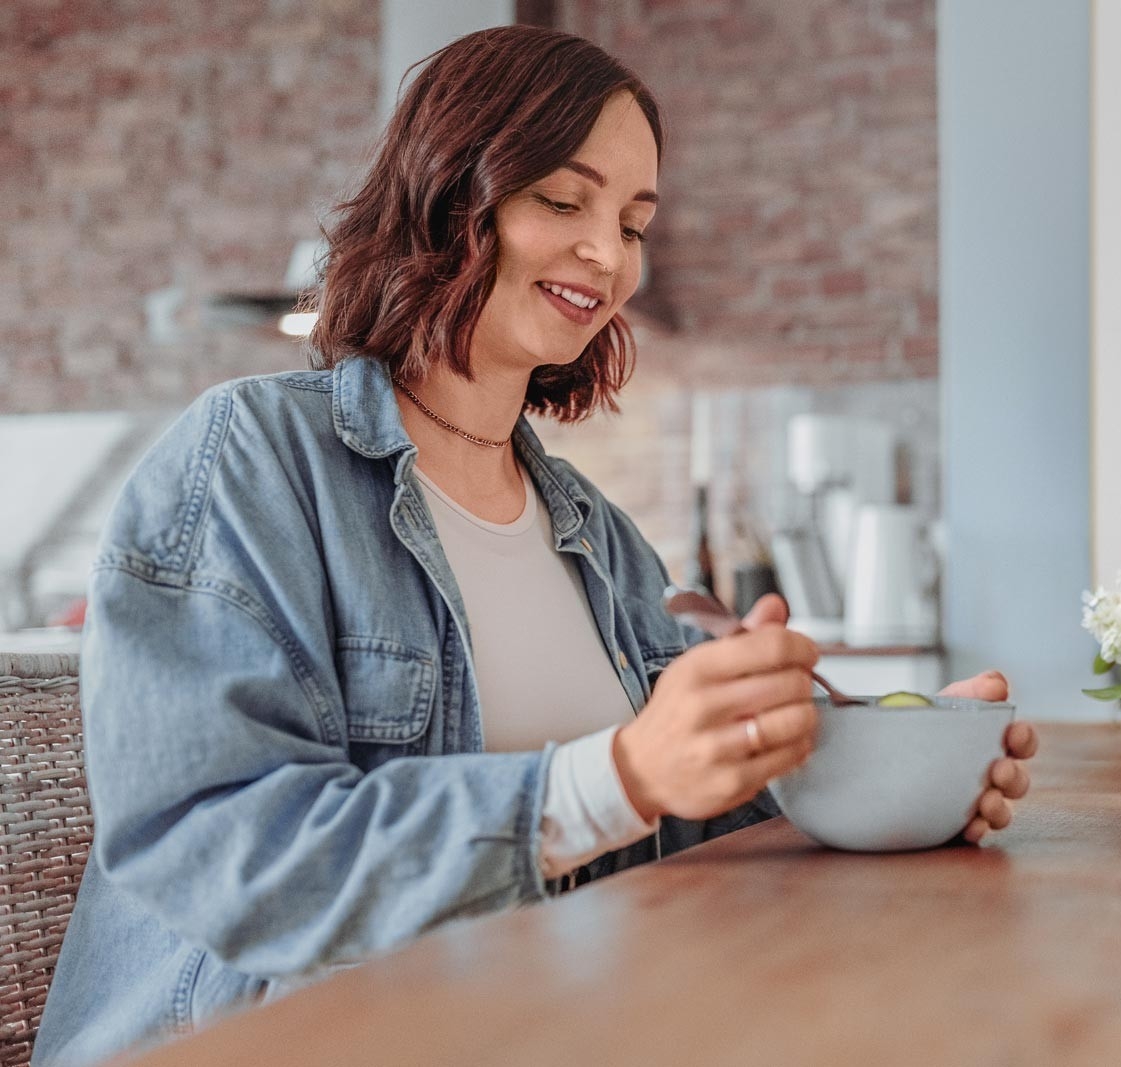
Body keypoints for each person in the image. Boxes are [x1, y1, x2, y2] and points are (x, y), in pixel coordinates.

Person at [33, 25, 1037, 1066]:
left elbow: (686, 818)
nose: (608, 256)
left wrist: (898, 773)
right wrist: (613, 776)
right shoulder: (255, 456)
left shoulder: (590, 530)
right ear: (450, 191)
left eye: (634, 222)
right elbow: (222, 853)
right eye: (564, 201)